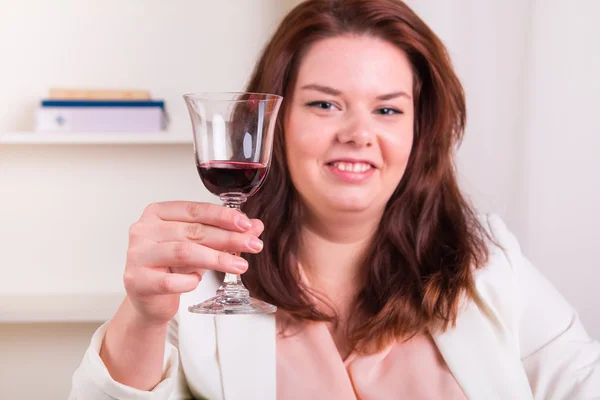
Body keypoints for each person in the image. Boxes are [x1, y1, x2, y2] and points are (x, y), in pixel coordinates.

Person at [69, 0, 600, 399]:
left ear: (421, 131)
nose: (357, 133)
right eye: (325, 104)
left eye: (387, 110)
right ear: (273, 124)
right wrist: (142, 315)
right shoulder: (199, 280)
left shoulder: (486, 261)